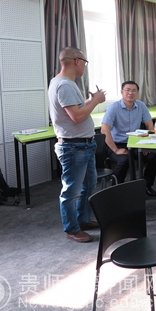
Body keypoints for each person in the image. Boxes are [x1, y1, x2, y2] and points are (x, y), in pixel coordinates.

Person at [48, 47, 106, 243]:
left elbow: (76, 110)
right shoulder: (64, 85)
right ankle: (72, 228)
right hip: (74, 146)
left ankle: (82, 219)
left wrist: (89, 100)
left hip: (83, 145)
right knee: (71, 191)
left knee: (88, 184)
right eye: (85, 62)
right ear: (76, 61)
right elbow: (77, 116)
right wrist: (96, 101)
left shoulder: (64, 83)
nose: (85, 66)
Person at [101, 81, 156, 196]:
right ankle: (114, 190)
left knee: (154, 157)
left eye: (134, 90)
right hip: (116, 144)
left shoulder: (141, 106)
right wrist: (116, 150)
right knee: (124, 161)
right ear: (121, 92)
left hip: (135, 143)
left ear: (137, 93)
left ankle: (146, 185)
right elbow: (104, 130)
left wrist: (148, 144)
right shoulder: (113, 107)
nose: (130, 93)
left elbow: (149, 125)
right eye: (127, 90)